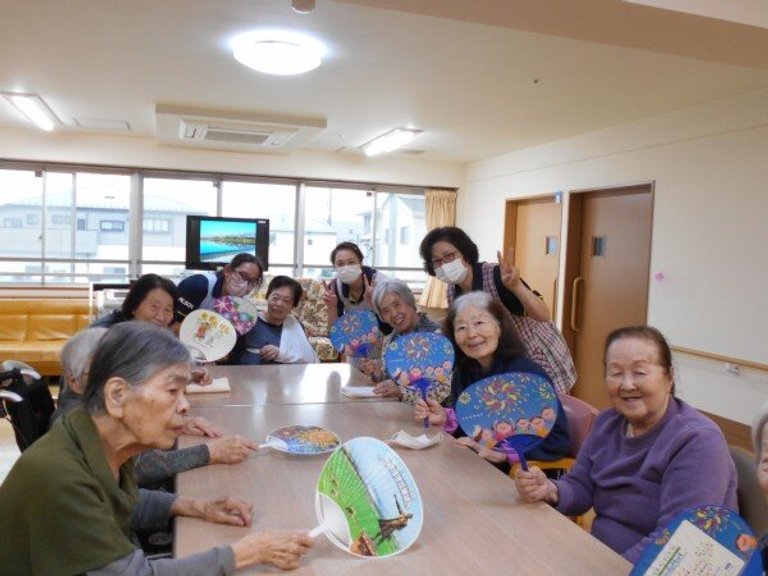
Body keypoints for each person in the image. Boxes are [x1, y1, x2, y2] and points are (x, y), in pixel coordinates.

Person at [0, 322, 312, 574]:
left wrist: (197, 506)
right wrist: (247, 552)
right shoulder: (60, 476)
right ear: (117, 395)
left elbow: (116, 501)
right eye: (173, 390)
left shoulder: (96, 437)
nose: (185, 406)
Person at [515, 325, 737, 564]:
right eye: (616, 373)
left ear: (669, 377)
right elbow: (580, 486)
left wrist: (609, 568)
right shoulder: (606, 423)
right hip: (602, 556)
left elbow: (678, 542)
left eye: (640, 372)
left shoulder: (697, 440)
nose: (627, 384)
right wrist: (550, 489)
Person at [50, 327, 258, 490]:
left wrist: (171, 422)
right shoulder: (79, 425)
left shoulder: (98, 408)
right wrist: (211, 452)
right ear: (73, 380)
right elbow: (141, 468)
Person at [415, 291, 570, 470]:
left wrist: (505, 454)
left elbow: (558, 441)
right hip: (476, 467)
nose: (471, 334)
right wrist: (447, 419)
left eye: (479, 323)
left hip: (521, 476)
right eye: (461, 328)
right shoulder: (463, 374)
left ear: (500, 327)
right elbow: (473, 434)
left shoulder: (527, 376)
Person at [419, 226, 576, 394]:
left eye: (449, 255)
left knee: (546, 405)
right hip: (502, 362)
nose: (444, 264)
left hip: (535, 354)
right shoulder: (452, 290)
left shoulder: (497, 276)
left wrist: (516, 286)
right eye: (437, 261)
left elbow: (543, 315)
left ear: (465, 253)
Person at [361, 279, 447, 405]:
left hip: (431, 413)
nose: (394, 314)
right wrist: (376, 374)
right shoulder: (390, 340)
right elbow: (390, 379)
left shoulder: (438, 337)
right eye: (386, 311)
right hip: (394, 410)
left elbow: (442, 391)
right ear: (382, 317)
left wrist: (401, 392)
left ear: (410, 302)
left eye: (397, 305)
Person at [233, 276, 318, 365]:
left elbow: (306, 358)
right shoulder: (249, 320)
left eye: (286, 300)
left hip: (285, 373)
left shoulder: (297, 327)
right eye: (275, 298)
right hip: (246, 371)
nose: (279, 304)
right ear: (267, 297)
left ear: (293, 305)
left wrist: (281, 353)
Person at [175, 252, 264, 327]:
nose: (245, 284)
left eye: (251, 282)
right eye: (243, 276)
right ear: (228, 270)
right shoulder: (197, 285)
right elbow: (173, 325)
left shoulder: (243, 307)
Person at [321, 241, 391, 334]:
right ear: (334, 267)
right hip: (357, 337)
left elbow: (390, 328)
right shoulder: (335, 288)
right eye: (340, 264)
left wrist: (374, 304)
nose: (346, 268)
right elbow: (335, 333)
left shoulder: (381, 283)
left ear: (360, 263)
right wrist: (332, 308)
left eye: (351, 262)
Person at [92, 273, 176, 329]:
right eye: (154, 306)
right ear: (134, 306)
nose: (161, 317)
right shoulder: (104, 335)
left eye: (168, 310)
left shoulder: (163, 341)